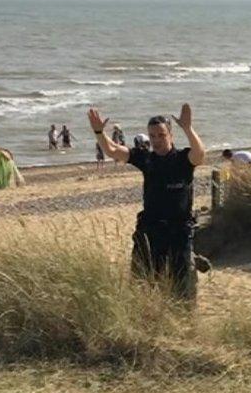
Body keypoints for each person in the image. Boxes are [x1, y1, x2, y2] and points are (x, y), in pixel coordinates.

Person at [87, 104, 205, 302]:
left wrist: (188, 128)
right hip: (151, 229)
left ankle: (184, 319)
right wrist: (99, 131)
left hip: (179, 231)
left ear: (170, 135)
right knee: (142, 280)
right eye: (153, 136)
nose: (157, 140)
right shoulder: (146, 158)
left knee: (182, 286)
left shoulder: (183, 159)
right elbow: (112, 150)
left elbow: (200, 154)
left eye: (161, 135)